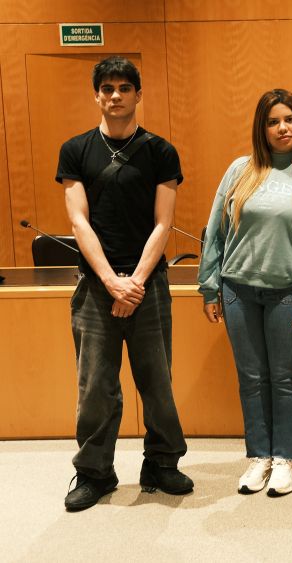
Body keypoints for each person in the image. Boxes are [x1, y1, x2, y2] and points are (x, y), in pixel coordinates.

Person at [57, 56, 192, 511]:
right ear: (96, 95)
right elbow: (78, 222)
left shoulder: (160, 151)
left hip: (148, 285)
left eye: (124, 88)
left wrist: (133, 282)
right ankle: (94, 472)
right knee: (95, 387)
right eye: (107, 88)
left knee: (157, 382)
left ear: (138, 94)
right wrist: (111, 282)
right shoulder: (75, 150)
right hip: (96, 287)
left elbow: (163, 223)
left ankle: (162, 463)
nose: (115, 96)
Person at [198, 89, 292, 497]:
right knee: (252, 378)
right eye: (273, 122)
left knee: (285, 378)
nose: (282, 128)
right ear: (262, 128)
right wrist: (209, 286)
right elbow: (215, 230)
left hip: (288, 294)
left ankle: (286, 458)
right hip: (238, 291)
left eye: (289, 119)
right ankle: (259, 456)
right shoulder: (240, 170)